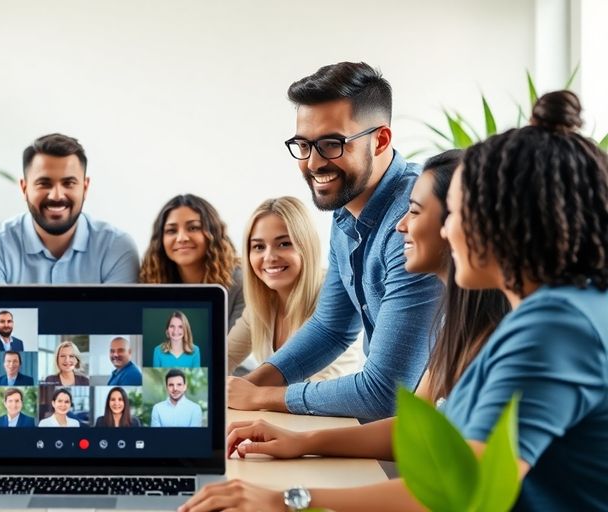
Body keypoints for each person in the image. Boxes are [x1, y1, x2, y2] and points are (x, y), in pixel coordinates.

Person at [182, 91, 605, 511]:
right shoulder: (543, 316)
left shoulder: (555, 328)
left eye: (452, 215)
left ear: (505, 223)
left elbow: (463, 487)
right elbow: (424, 431)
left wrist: (289, 500)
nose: (415, 227)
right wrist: (301, 442)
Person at [228, 62, 443, 421]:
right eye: (303, 144)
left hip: (440, 438)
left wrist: (263, 396)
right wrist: (247, 388)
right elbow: (331, 327)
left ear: (381, 140)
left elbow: (386, 393)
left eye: (331, 144)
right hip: (396, 432)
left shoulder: (415, 220)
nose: (313, 163)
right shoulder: (346, 210)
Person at [0, 133, 140, 284]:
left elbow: (118, 323)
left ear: (85, 188)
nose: (56, 195)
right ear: (24, 188)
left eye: (69, 183)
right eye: (44, 183)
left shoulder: (116, 247)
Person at [226, 197, 363, 379]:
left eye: (284, 244)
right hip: (274, 408)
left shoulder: (334, 295)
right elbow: (222, 359)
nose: (269, 257)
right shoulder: (262, 303)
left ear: (306, 245)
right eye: (258, 247)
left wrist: (250, 389)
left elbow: (319, 388)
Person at [139, 194, 244, 329]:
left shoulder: (239, 283)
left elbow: (236, 347)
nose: (181, 238)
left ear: (213, 234)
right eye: (171, 231)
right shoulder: (149, 282)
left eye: (193, 228)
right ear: (160, 240)